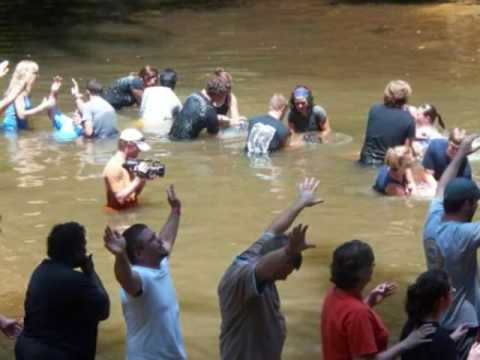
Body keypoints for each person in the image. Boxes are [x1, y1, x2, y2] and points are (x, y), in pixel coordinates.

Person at [218, 178, 322, 360]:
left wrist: (302, 201)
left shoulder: (260, 251)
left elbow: (273, 231)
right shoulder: (241, 277)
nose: (286, 278)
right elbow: (261, 269)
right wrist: (289, 251)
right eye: (285, 273)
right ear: (277, 264)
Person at [103, 185, 187, 360]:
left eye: (155, 236)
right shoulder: (141, 278)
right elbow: (125, 279)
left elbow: (166, 239)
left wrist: (175, 210)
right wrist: (120, 256)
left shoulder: (160, 264)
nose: (159, 241)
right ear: (140, 253)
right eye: (152, 240)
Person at [320, 240, 435, 360]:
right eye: (371, 265)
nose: (372, 269)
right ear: (364, 272)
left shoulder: (333, 292)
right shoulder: (358, 313)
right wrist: (407, 342)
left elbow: (345, 320)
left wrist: (370, 300)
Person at [15, 222, 110, 360]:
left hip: (27, 348)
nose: (85, 251)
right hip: (54, 354)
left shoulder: (40, 271)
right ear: (76, 250)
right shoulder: (76, 280)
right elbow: (104, 309)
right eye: (83, 246)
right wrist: (90, 271)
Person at [422, 133, 480, 359]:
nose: (476, 207)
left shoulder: (433, 220)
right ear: (467, 204)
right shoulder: (463, 234)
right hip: (463, 325)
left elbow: (441, 187)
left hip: (438, 317)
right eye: (476, 203)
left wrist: (460, 155)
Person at [400, 269, 469, 360]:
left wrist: (449, 339)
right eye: (451, 289)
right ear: (442, 300)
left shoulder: (409, 326)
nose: (453, 291)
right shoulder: (443, 340)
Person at [359, 80, 416, 166]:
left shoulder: (374, 109)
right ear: (406, 97)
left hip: (365, 160)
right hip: (387, 165)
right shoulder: (409, 119)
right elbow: (407, 151)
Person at [103, 128, 151, 210]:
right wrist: (138, 179)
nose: (139, 151)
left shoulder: (129, 164)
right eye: (138, 148)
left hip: (130, 212)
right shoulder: (114, 166)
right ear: (129, 145)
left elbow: (134, 194)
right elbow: (120, 199)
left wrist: (143, 179)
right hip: (117, 218)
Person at [169, 75, 230, 140]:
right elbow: (215, 137)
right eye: (225, 95)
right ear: (219, 96)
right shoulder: (210, 112)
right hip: (185, 144)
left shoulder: (192, 96)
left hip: (170, 136)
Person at [2, 60, 50, 132]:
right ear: (26, 74)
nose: (38, 76)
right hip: (10, 131)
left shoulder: (25, 91)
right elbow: (21, 115)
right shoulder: (19, 92)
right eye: (35, 73)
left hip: (18, 129)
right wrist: (41, 107)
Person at [139, 68, 182, 135]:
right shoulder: (176, 100)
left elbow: (141, 112)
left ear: (159, 80)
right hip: (163, 131)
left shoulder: (147, 91)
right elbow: (179, 121)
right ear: (176, 81)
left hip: (145, 127)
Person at [45, 76, 83, 142]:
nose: (75, 114)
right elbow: (51, 109)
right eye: (75, 113)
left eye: (79, 115)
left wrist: (76, 95)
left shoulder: (84, 130)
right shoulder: (68, 122)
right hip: (50, 142)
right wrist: (53, 92)